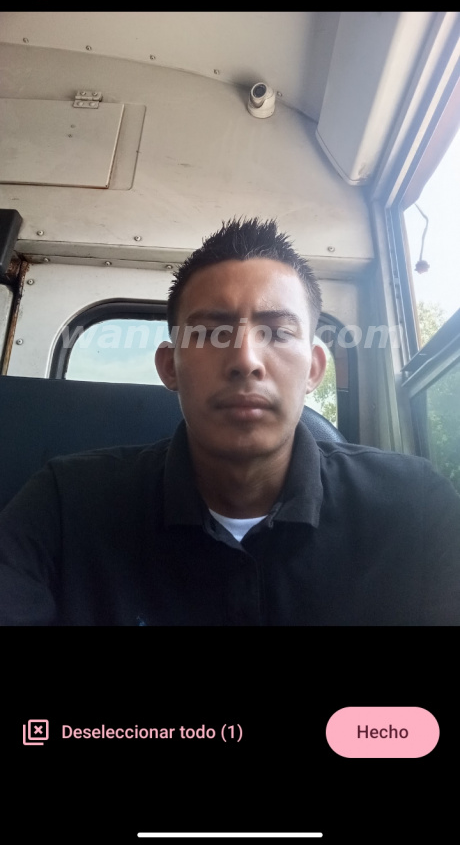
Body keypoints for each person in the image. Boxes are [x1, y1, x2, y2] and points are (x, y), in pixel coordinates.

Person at [1, 217, 460, 626]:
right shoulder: (63, 508)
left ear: (314, 370)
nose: (245, 359)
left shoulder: (416, 509)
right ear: (169, 367)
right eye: (211, 333)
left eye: (277, 332)